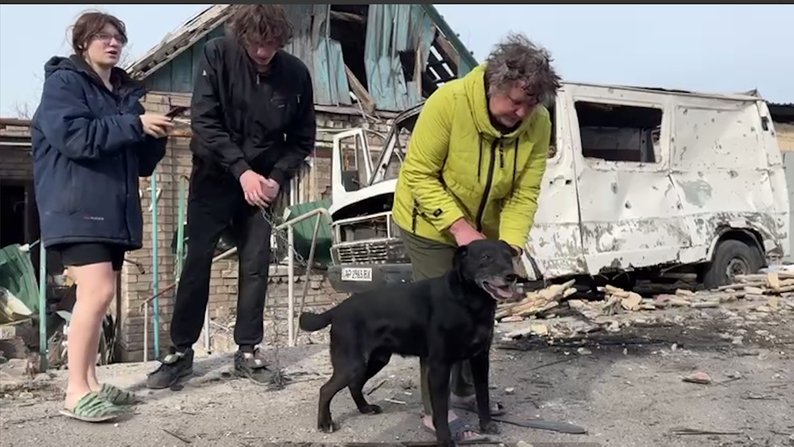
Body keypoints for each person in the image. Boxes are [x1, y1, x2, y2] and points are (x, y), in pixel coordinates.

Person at [391, 32, 561, 442]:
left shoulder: (538, 123)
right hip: (429, 223)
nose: (522, 113)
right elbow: (418, 175)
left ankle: (465, 390)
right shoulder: (448, 103)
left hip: (487, 234)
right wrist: (459, 228)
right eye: (516, 102)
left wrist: (509, 247)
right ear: (494, 84)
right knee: (442, 317)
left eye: (532, 105)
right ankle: (437, 411)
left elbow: (524, 192)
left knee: (480, 311)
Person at [146, 4, 316, 389]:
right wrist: (241, 170)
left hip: (263, 185)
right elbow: (205, 122)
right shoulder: (217, 55)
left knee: (256, 264)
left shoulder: (295, 74)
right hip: (214, 176)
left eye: (271, 44)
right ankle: (180, 352)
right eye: (256, 43)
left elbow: (303, 138)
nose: (263, 52)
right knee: (197, 260)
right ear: (243, 36)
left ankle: (248, 351)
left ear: (282, 40)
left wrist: (276, 178)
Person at [31, 11, 172, 421]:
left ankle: (91, 383)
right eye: (102, 37)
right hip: (77, 206)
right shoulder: (64, 83)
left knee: (98, 297)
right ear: (82, 43)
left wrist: (153, 136)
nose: (112, 43)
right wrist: (134, 125)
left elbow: (138, 163)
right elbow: (75, 137)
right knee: (96, 293)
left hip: (111, 209)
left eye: (118, 38)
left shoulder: (121, 94)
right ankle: (75, 391)